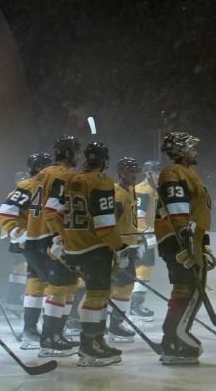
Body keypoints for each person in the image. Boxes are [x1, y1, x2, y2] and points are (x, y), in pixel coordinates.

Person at [58, 141, 127, 367]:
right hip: (93, 246)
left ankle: (97, 340)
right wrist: (119, 247)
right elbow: (104, 223)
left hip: (73, 245)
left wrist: (62, 239)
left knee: (98, 294)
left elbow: (58, 212)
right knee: (97, 295)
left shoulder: (71, 178)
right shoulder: (101, 180)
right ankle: (88, 347)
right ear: (104, 160)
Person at [154, 130, 215, 365]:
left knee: (189, 290)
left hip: (189, 239)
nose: (195, 151)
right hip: (180, 239)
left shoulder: (187, 173)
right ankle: (175, 338)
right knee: (187, 289)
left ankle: (173, 338)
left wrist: (202, 242)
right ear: (181, 151)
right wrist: (186, 239)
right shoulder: (175, 172)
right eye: (191, 147)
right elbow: (178, 209)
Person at [25, 136, 82, 357]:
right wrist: (60, 238)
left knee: (68, 287)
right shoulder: (61, 174)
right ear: (68, 153)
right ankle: (49, 340)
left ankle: (57, 335)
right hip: (47, 238)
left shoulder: (44, 174)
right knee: (59, 289)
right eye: (76, 152)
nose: (78, 157)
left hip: (36, 237)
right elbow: (52, 208)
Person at [0, 152, 51, 349]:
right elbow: (5, 211)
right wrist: (16, 232)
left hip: (42, 241)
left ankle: (31, 329)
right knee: (50, 280)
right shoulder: (28, 186)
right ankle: (47, 329)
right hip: (33, 242)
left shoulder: (46, 186)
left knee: (37, 281)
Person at [110, 157, 146, 340]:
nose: (133, 175)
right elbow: (111, 224)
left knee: (125, 286)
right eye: (130, 172)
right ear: (121, 173)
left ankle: (115, 323)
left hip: (129, 246)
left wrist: (137, 241)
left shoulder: (130, 190)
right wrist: (118, 248)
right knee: (121, 286)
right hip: (119, 247)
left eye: (134, 172)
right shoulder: (117, 194)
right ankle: (114, 325)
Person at [131, 160, 160, 321]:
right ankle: (135, 305)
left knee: (144, 268)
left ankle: (135, 304)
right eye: (155, 173)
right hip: (139, 235)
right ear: (147, 174)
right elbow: (139, 214)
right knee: (143, 268)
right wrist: (147, 233)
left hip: (143, 234)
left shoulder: (152, 190)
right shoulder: (144, 189)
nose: (158, 176)